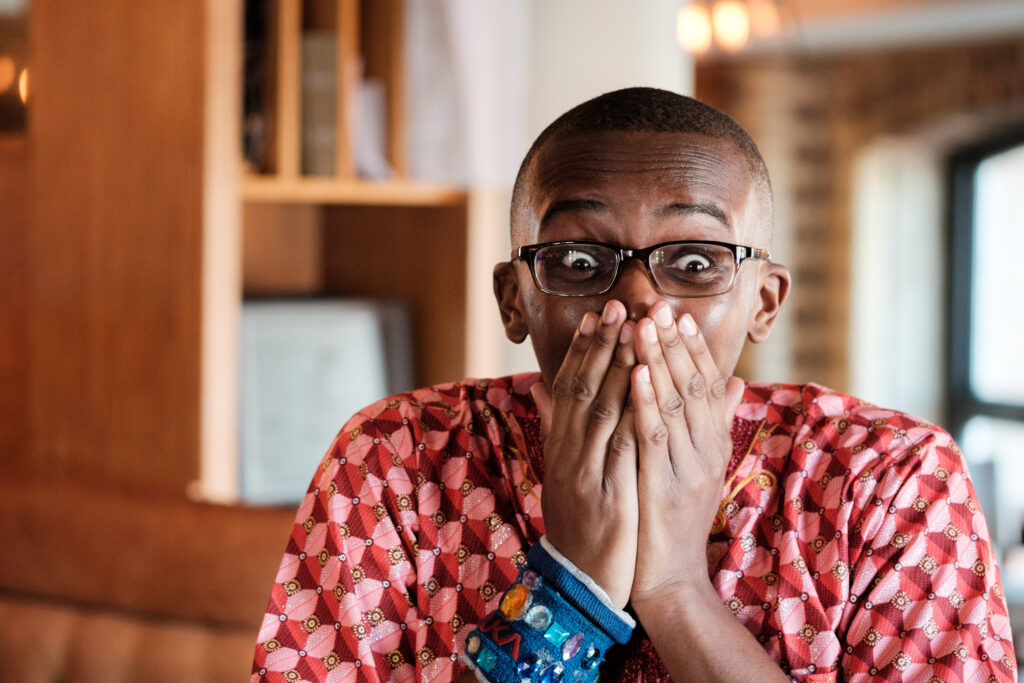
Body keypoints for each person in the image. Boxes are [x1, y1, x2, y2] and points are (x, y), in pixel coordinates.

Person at [251, 88, 1017, 682]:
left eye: (694, 262)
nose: (640, 302)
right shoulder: (397, 459)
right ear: (515, 298)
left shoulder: (889, 478)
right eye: (580, 263)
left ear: (765, 301)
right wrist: (569, 588)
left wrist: (676, 586)